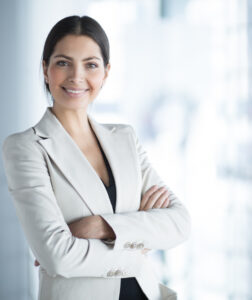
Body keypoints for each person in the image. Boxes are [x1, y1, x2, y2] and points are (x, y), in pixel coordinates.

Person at [1, 15, 191, 300]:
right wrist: (137, 243)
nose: (77, 77)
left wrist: (102, 226)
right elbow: (59, 256)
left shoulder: (125, 138)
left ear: (106, 72)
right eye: (63, 62)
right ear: (45, 69)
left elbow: (179, 223)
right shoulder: (26, 147)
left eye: (90, 65)